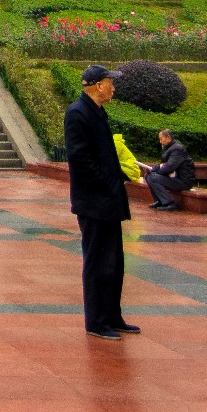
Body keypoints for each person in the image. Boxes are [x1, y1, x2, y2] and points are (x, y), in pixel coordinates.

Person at [65, 65, 134, 339]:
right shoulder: (78, 113)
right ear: (96, 85)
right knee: (98, 262)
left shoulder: (97, 111)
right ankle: (96, 321)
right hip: (94, 201)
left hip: (109, 199)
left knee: (114, 261)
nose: (113, 87)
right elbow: (80, 159)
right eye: (109, 82)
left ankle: (112, 315)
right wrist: (107, 181)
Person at [141, 128, 196, 211]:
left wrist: (154, 171)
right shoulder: (169, 148)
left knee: (152, 177)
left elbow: (170, 167)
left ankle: (169, 203)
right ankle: (160, 201)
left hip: (184, 181)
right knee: (147, 175)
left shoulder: (177, 149)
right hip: (175, 178)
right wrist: (151, 169)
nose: (160, 141)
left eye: (161, 139)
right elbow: (163, 165)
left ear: (169, 137)